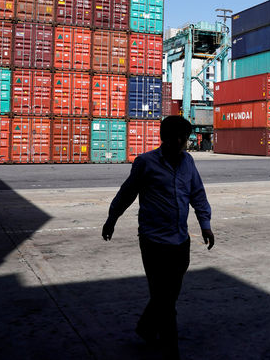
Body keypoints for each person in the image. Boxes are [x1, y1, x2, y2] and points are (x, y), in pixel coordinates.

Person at [102, 115, 214, 358]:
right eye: (181, 138)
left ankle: (145, 328)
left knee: (168, 294)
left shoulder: (188, 162)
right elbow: (127, 193)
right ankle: (170, 350)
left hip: (180, 242)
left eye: (185, 138)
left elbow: (197, 193)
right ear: (170, 138)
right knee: (165, 302)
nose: (184, 143)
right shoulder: (145, 163)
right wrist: (112, 218)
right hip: (153, 242)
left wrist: (205, 224)